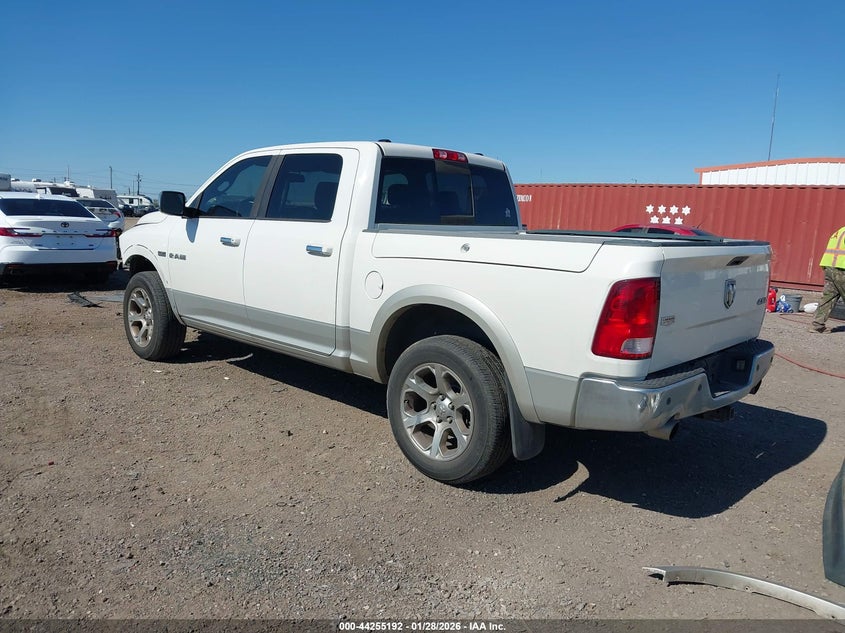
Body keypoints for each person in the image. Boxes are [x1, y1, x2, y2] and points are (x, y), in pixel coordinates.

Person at [810, 225, 845, 333]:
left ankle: (817, 325)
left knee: (828, 297)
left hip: (830, 268)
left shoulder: (840, 231)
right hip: (842, 269)